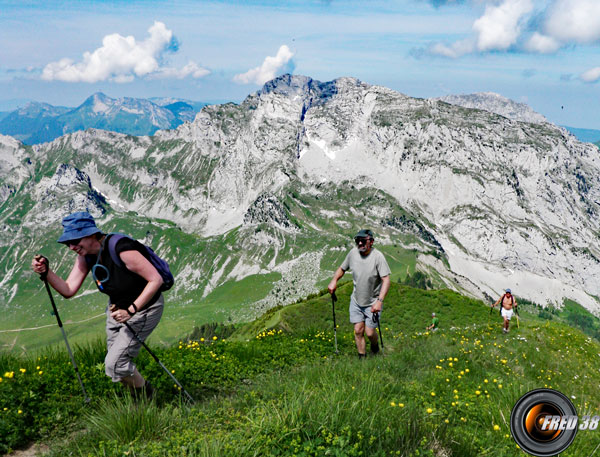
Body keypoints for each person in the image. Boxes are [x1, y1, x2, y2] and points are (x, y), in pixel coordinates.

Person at [31, 211, 164, 398]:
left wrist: (131, 310)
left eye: (75, 240)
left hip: (145, 309)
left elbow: (155, 280)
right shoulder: (87, 256)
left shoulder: (122, 249)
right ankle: (140, 400)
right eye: (68, 243)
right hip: (116, 311)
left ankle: (148, 397)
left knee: (115, 363)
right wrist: (46, 272)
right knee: (116, 366)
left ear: (91, 234)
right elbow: (69, 289)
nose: (71, 247)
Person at [328, 229, 391, 358]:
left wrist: (379, 301)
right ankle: (362, 359)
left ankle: (375, 346)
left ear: (371, 242)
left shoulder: (378, 257)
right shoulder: (353, 254)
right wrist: (334, 281)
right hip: (356, 300)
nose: (360, 243)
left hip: (373, 302)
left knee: (369, 333)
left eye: (363, 241)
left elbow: (386, 280)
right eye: (358, 241)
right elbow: (342, 268)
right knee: (358, 330)